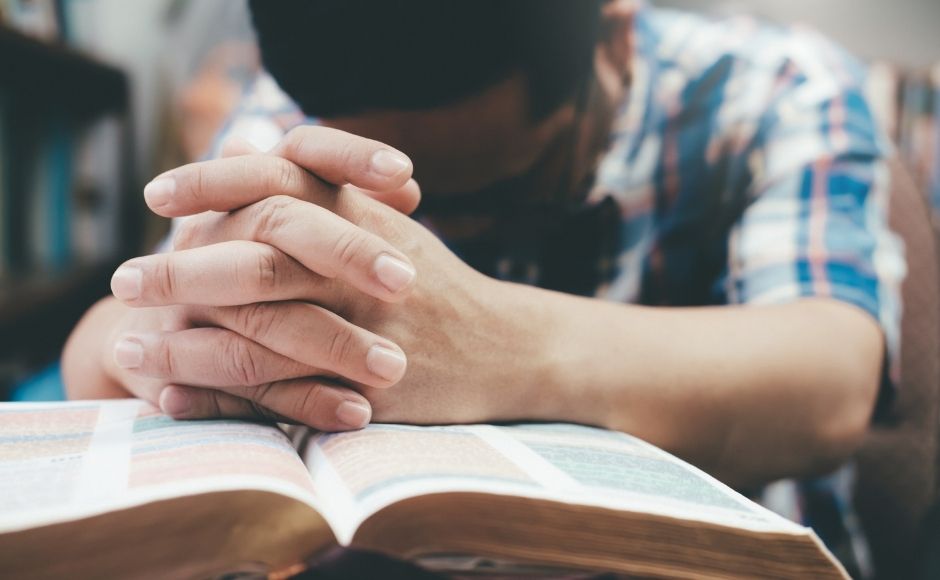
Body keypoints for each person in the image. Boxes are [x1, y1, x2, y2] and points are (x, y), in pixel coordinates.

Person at [63, 0, 904, 566]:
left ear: (612, 37)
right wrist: (161, 334)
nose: (442, 229)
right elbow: (103, 348)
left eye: (501, 187)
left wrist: (488, 337)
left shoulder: (776, 88)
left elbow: (831, 380)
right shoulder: (296, 113)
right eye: (397, 196)